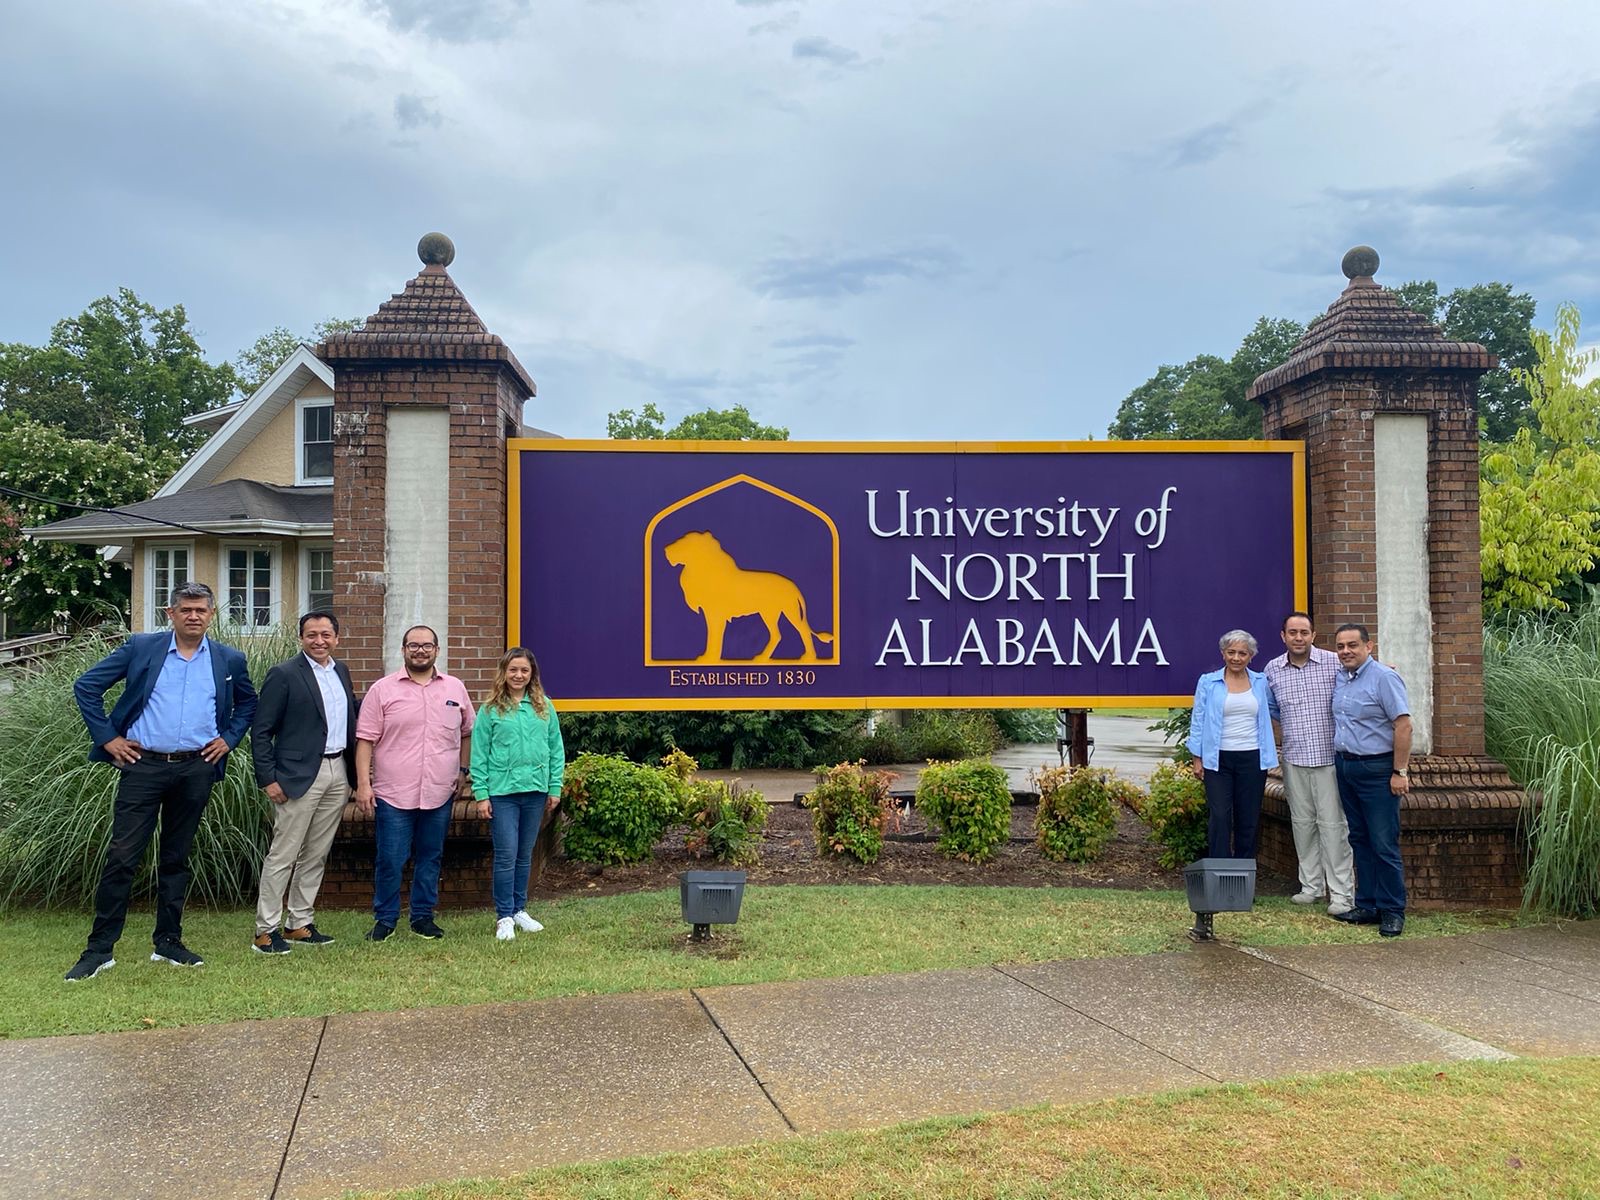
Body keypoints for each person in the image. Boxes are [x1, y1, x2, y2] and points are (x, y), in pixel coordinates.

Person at [65, 582, 257, 982]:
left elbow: (248, 703)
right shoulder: (142, 648)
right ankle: (99, 951)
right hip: (143, 766)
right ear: (170, 613)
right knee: (122, 856)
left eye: (200, 610)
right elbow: (86, 686)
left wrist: (230, 738)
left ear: (211, 614)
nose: (193, 616)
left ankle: (168, 942)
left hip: (195, 768)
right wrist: (108, 738)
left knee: (176, 857)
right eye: (185, 609)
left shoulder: (228, 660)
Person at [353, 624, 474, 941]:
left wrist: (463, 771)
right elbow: (365, 740)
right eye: (413, 645)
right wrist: (364, 785)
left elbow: (466, 733)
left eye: (427, 645)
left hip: (440, 790)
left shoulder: (455, 689)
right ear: (403, 649)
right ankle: (386, 919)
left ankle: (422, 917)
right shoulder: (382, 690)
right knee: (390, 859)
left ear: (437, 650)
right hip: (394, 793)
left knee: (430, 858)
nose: (420, 650)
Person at [248, 611, 359, 954]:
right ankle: (265, 930)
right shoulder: (283, 674)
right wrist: (268, 778)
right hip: (296, 777)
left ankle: (298, 922)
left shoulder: (341, 671)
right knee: (283, 854)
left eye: (326, 635)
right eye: (311, 635)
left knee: (316, 853)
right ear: (301, 638)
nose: (319, 641)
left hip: (338, 770)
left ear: (337, 638)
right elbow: (261, 730)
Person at [469, 648, 565, 941]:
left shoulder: (543, 707)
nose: (518, 675)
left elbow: (555, 750)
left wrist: (554, 787)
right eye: (513, 670)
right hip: (503, 793)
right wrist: (481, 793)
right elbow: (479, 754)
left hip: (535, 791)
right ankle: (504, 916)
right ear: (504, 673)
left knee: (525, 855)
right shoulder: (490, 710)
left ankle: (520, 909)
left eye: (524, 670)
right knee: (506, 854)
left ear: (532, 674)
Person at [1263, 612, 1354, 917]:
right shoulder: (1273, 670)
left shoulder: (1333, 661)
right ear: (1283, 636)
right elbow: (1273, 709)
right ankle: (1310, 887)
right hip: (1293, 759)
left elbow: (1362, 672)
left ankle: (1341, 893)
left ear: (1313, 635)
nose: (1298, 637)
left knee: (1333, 827)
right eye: (1292, 632)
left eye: (1304, 632)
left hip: (1328, 758)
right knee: (1302, 825)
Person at [1331, 623, 1412, 938]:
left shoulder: (1384, 678)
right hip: (1346, 767)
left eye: (1353, 645)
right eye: (1340, 646)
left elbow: (1403, 725)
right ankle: (1367, 905)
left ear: (1369, 646)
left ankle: (1392, 910)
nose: (1346, 651)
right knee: (1359, 840)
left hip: (1378, 770)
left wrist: (1399, 771)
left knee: (1383, 843)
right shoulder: (1341, 677)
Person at [1187, 629, 1279, 859]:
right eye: (1231, 652)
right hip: (1218, 760)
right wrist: (1197, 758)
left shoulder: (1260, 682)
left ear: (1251, 656)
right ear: (1223, 654)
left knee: (1248, 818)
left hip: (1252, 758)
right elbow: (1198, 720)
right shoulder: (1208, 682)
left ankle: (1244, 875)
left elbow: (1276, 710)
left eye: (1242, 653)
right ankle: (1220, 872)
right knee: (1219, 816)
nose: (1236, 658)